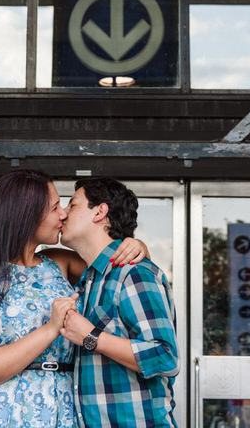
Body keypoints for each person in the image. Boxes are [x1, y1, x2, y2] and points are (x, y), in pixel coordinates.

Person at [0, 169, 148, 428]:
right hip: (6, 411)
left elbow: (116, 270)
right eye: (55, 207)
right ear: (26, 215)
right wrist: (52, 328)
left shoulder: (58, 262)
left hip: (66, 406)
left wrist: (139, 247)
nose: (63, 213)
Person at [59, 176, 179, 428]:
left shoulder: (133, 273)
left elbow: (165, 357)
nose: (63, 214)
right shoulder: (89, 280)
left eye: (72, 205)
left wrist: (90, 337)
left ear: (100, 212)